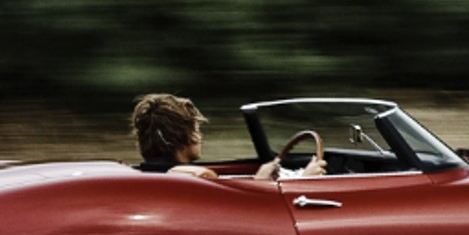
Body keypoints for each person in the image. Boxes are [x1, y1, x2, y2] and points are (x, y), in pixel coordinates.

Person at [129, 92, 326, 180]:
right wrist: (305, 178)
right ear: (184, 137)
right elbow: (241, 213)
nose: (200, 137)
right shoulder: (195, 179)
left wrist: (258, 179)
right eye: (196, 129)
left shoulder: (143, 175)